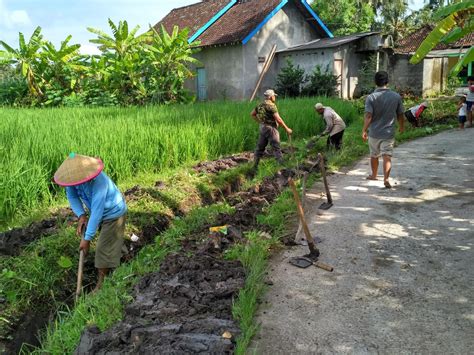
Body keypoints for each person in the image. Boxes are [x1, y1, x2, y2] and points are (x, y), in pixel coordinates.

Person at [54, 153, 127, 291]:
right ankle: (122, 255)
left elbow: (97, 213)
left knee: (101, 248)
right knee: (109, 239)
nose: (76, 182)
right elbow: (73, 197)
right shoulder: (73, 180)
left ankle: (101, 284)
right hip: (97, 212)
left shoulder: (99, 183)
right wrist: (81, 215)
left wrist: (87, 239)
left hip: (113, 213)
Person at [362, 71, 405, 189]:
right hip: (388, 133)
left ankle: (374, 175)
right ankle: (386, 179)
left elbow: (368, 116)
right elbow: (401, 114)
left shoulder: (371, 97)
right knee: (387, 156)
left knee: (374, 155)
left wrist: (364, 130)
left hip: (374, 133)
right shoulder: (396, 96)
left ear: (375, 82)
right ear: (387, 81)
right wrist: (401, 126)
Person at [250, 89, 292, 172]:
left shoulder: (260, 105)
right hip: (271, 128)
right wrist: (287, 128)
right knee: (276, 147)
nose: (275, 98)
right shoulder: (271, 106)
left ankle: (254, 166)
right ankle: (281, 166)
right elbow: (278, 119)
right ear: (271, 97)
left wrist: (260, 122)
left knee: (260, 148)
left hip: (263, 128)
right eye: (274, 96)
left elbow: (252, 114)